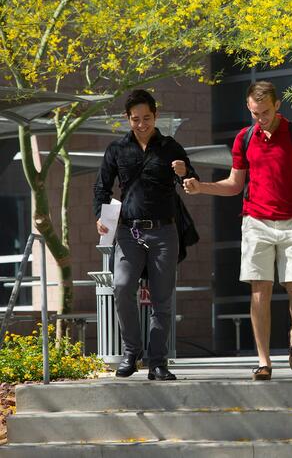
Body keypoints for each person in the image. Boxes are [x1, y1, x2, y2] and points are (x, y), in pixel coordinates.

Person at [183, 81, 292, 381]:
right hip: (255, 221)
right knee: (260, 291)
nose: (261, 118)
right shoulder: (244, 138)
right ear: (249, 108)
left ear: (278, 105)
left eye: (266, 112)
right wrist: (201, 186)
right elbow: (234, 184)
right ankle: (264, 361)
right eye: (256, 113)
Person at [94, 89, 197, 381]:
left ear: (156, 116)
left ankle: (158, 362)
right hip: (129, 231)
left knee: (162, 300)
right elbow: (101, 187)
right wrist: (100, 217)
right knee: (123, 286)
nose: (142, 124)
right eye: (136, 119)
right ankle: (131, 353)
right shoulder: (117, 149)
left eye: (147, 118)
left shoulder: (170, 146)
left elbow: (192, 182)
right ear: (128, 119)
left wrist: (184, 170)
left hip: (165, 232)